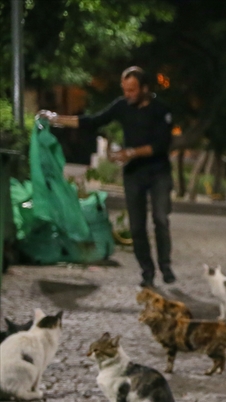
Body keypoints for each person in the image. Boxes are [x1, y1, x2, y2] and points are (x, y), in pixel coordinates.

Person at [39, 66, 175, 288]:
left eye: (132, 90)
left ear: (144, 88)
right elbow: (92, 120)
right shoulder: (122, 106)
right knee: (137, 226)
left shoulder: (162, 110)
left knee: (160, 218)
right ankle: (147, 271)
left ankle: (166, 266)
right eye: (125, 90)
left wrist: (129, 153)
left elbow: (161, 145)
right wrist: (56, 119)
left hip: (159, 171)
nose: (128, 94)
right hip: (134, 173)